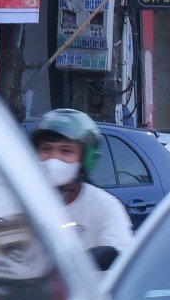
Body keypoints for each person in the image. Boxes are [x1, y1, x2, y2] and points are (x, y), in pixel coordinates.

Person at [29, 108, 132, 266]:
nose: (53, 159)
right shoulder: (21, 202)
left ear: (84, 158)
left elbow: (119, 259)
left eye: (66, 151)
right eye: (46, 149)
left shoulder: (105, 207)